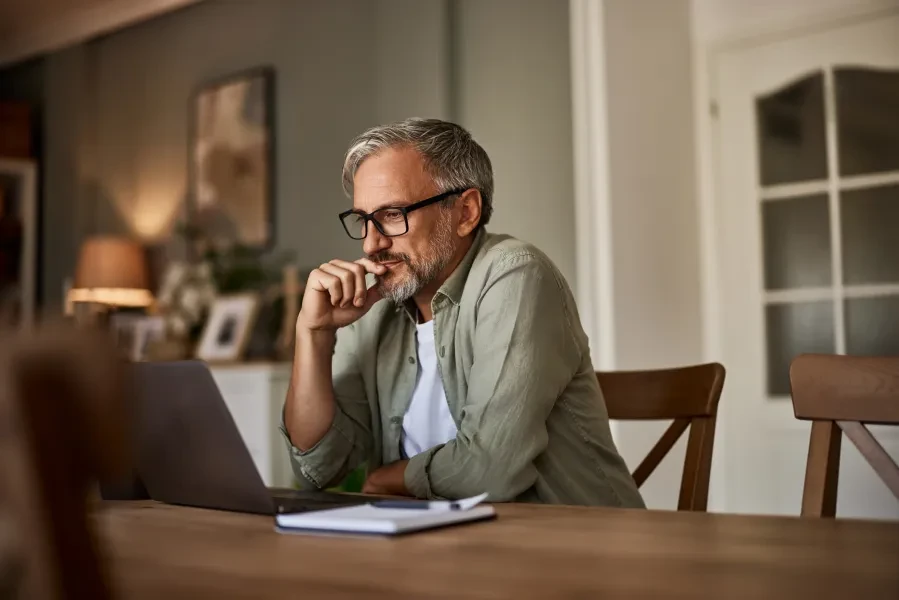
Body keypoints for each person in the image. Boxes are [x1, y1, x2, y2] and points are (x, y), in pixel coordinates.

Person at [280, 118, 644, 508]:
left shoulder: (515, 274)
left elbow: (490, 470)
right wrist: (313, 333)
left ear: (466, 211)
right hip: (437, 545)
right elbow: (316, 468)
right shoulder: (373, 305)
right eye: (363, 220)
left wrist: (392, 477)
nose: (371, 244)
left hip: (574, 547)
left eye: (392, 215)